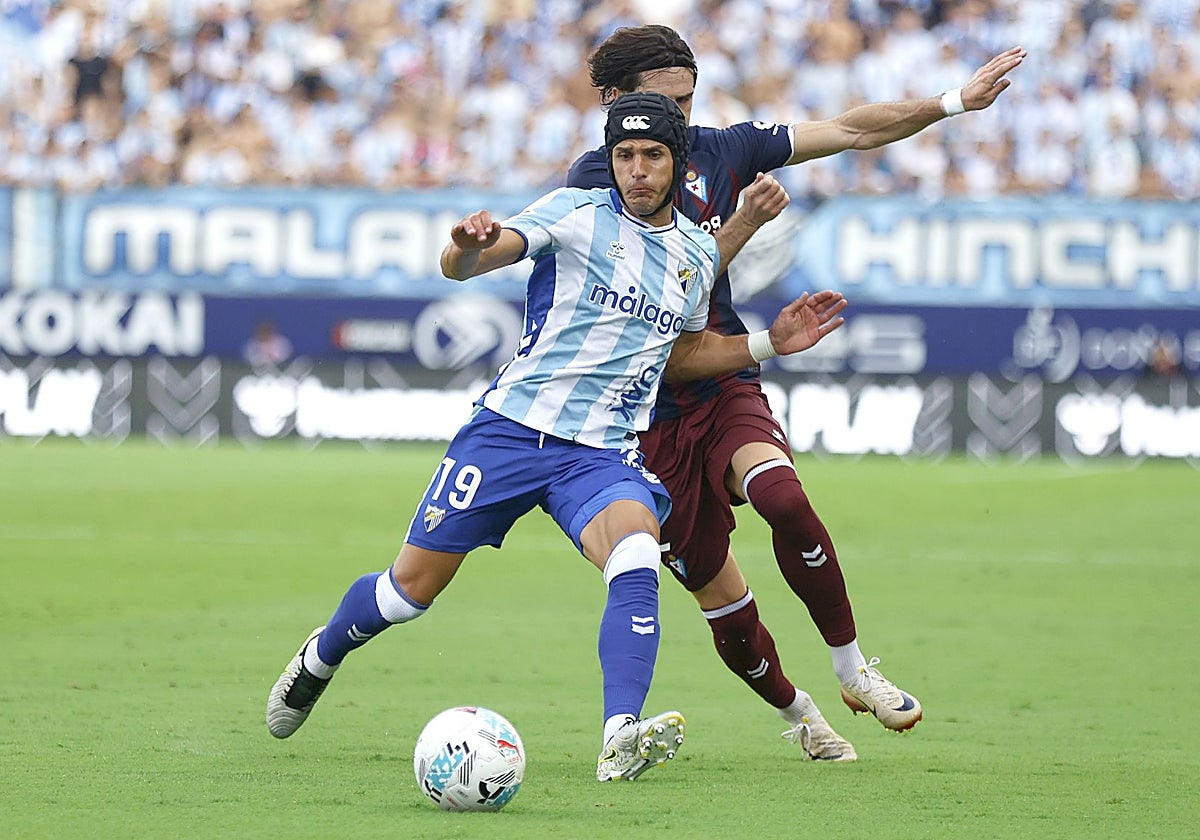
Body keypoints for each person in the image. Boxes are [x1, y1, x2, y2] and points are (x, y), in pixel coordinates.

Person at [266, 91, 849, 783]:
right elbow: (470, 263)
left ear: (677, 163)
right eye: (624, 156)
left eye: (652, 157)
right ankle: (321, 655)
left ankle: (619, 734)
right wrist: (466, 249)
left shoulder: (695, 253)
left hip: (598, 454)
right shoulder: (574, 213)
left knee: (635, 553)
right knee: (406, 595)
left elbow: (682, 356)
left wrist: (766, 343)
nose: (637, 170)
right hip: (509, 433)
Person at [567, 25, 1026, 761]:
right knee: (729, 610)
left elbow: (847, 128)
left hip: (720, 381)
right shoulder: (592, 191)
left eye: (690, 101)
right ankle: (800, 712)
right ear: (618, 103)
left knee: (782, 495)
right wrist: (743, 225)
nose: (683, 119)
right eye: (666, 103)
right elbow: (658, 309)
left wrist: (950, 102)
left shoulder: (720, 149)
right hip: (640, 418)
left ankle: (854, 670)